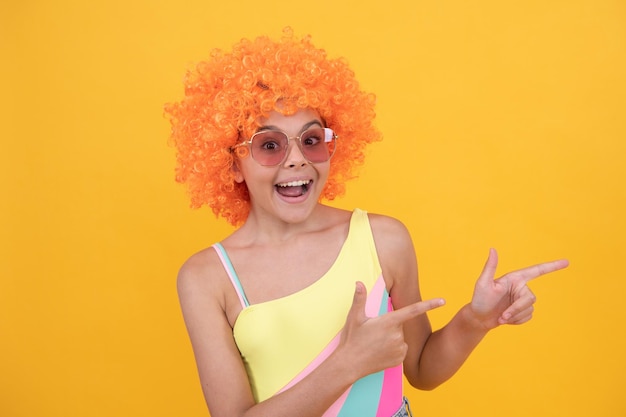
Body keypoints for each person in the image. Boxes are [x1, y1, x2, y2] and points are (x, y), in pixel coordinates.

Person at [165, 28, 569, 417]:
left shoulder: (383, 240)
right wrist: (348, 363)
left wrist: (475, 321)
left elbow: (423, 370)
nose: (296, 159)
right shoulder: (207, 277)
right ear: (231, 162)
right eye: (269, 145)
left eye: (311, 140)